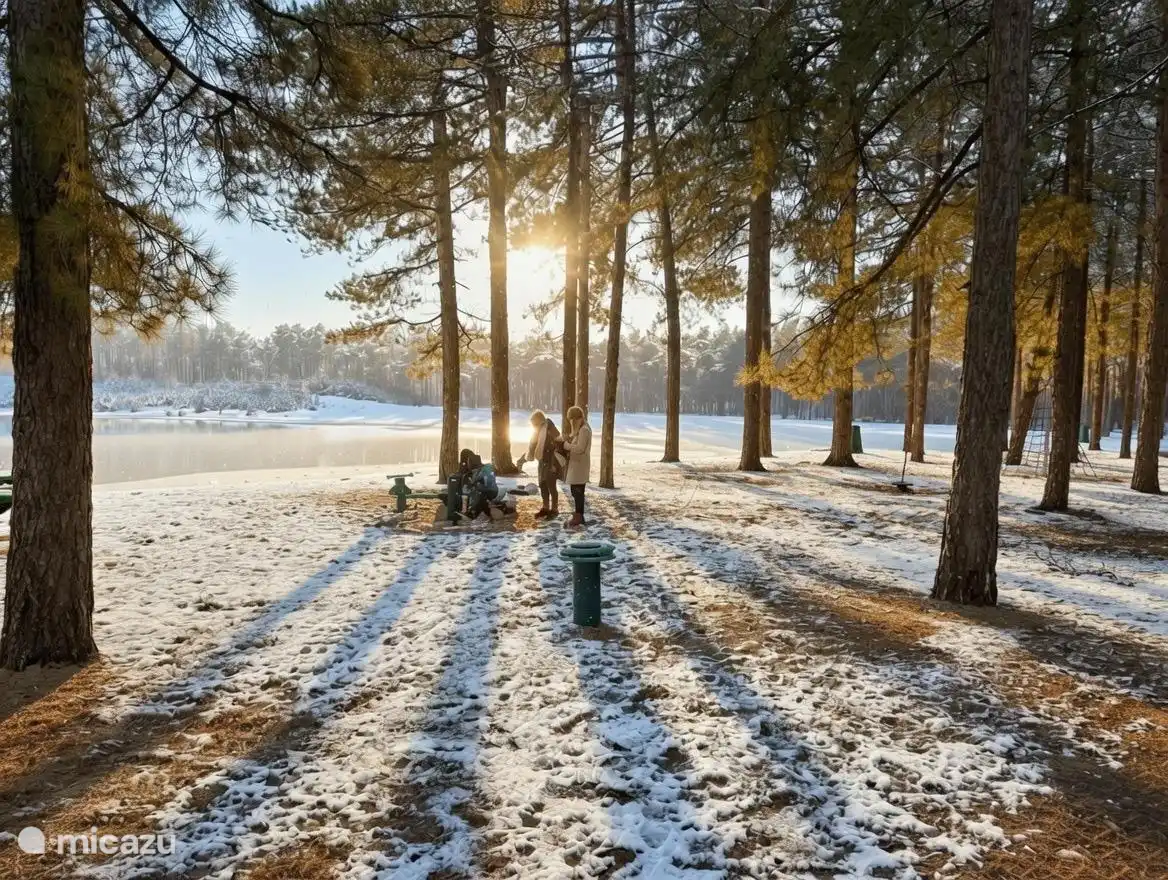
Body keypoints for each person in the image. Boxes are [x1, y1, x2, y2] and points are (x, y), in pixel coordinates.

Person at [525, 410, 564, 518]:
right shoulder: (537, 430)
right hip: (542, 461)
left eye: (534, 424)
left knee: (551, 485)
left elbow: (558, 445)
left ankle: (554, 509)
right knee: (542, 484)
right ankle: (545, 507)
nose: (533, 427)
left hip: (551, 461)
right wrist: (530, 454)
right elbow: (533, 443)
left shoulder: (550, 428)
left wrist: (553, 464)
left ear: (540, 422)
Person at [562, 405, 592, 528]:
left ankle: (579, 516)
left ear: (576, 419)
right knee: (576, 491)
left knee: (578, 492)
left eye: (571, 419)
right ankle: (578, 515)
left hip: (579, 466)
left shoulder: (584, 430)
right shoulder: (580, 429)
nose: (571, 422)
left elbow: (580, 448)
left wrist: (566, 446)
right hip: (577, 466)